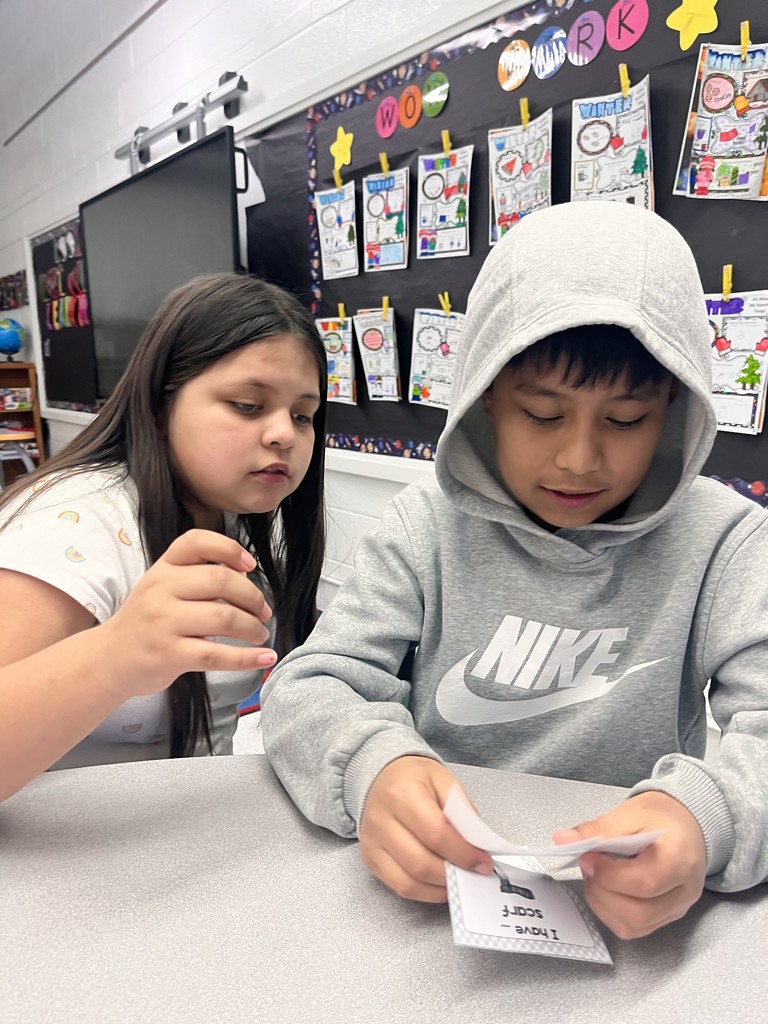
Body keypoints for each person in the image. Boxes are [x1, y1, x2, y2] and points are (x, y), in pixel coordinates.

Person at [261, 202, 768, 940]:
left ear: (674, 409)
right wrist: (373, 765)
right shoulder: (425, 523)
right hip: (435, 893)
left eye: (626, 420)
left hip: (635, 910)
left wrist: (705, 817)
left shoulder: (728, 542)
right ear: (488, 398)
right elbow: (309, 685)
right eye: (542, 413)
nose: (579, 459)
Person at [0, 272, 326, 801]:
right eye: (247, 405)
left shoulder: (235, 522)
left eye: (303, 415)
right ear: (158, 407)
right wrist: (113, 657)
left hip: (188, 829)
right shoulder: (73, 522)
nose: (284, 434)